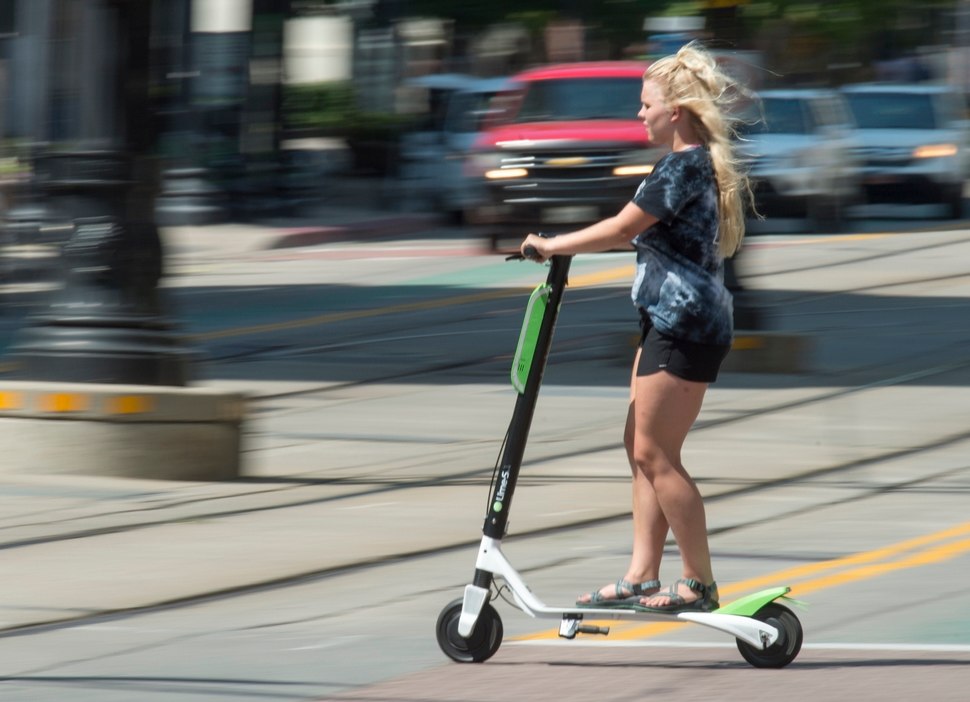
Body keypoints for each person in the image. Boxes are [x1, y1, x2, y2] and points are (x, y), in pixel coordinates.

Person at [519, 42, 752, 613]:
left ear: (674, 110)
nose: (638, 115)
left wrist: (550, 245)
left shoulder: (682, 165)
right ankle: (642, 573)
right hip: (670, 321)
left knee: (657, 454)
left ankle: (698, 582)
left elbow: (624, 229)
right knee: (640, 446)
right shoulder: (687, 165)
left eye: (645, 105)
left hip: (684, 324)